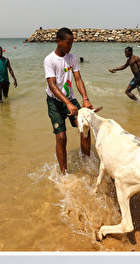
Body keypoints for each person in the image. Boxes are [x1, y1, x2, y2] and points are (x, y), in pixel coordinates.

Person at [43, 27, 92, 175]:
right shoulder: (49, 60)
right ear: (59, 41)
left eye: (72, 43)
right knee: (62, 137)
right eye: (68, 43)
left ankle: (87, 164)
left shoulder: (72, 58)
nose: (70, 46)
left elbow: (78, 79)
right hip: (55, 102)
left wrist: (85, 99)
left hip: (70, 99)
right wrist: (67, 103)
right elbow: (52, 85)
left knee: (85, 128)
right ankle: (64, 173)